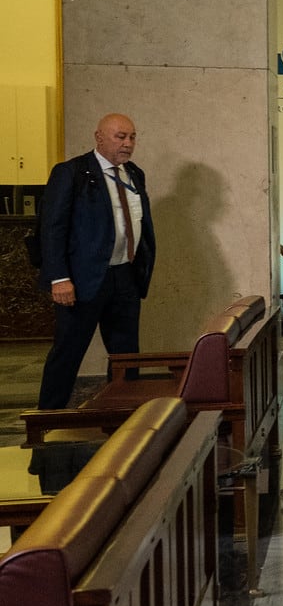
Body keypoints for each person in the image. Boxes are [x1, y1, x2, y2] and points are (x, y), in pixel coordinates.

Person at [35, 113, 155, 411]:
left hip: (125, 276)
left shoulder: (134, 173)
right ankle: (48, 418)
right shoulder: (72, 172)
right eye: (120, 136)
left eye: (132, 137)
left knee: (126, 355)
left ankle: (122, 417)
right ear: (99, 137)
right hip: (82, 279)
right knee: (68, 352)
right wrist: (59, 277)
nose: (127, 143)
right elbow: (52, 228)